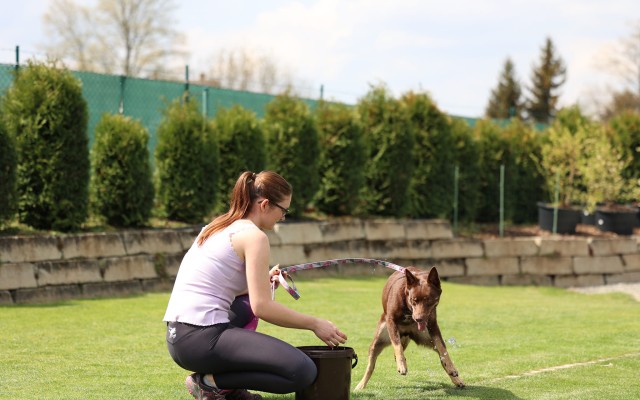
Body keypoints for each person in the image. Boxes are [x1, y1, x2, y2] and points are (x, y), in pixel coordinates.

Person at [163, 170, 348, 400]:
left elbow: (216, 284)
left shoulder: (219, 226)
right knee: (302, 371)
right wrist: (315, 324)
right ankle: (212, 383)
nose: (283, 217)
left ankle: (222, 386)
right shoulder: (254, 237)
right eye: (283, 210)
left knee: (245, 304)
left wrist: (262, 279)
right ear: (265, 204)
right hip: (201, 338)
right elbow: (262, 307)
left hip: (179, 338)